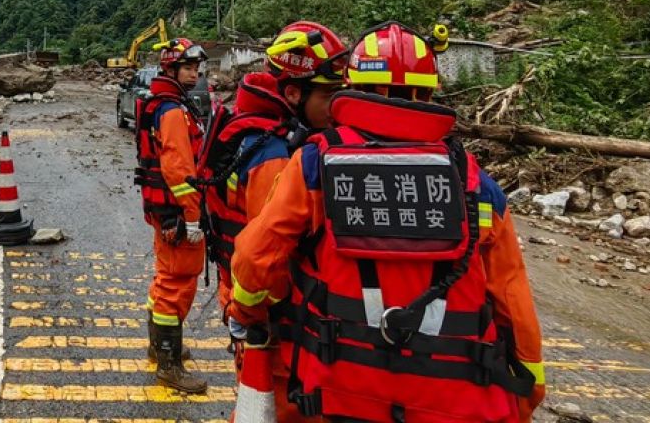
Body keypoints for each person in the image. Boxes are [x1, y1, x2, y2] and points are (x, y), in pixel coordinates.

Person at [229, 22, 545, 422]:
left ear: (354, 87)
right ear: (431, 92)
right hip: (454, 404)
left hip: (334, 395)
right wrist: (525, 393)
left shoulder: (314, 165)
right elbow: (514, 307)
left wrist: (247, 314)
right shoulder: (474, 184)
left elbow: (255, 259)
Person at [199, 23, 347, 421]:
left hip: (246, 303)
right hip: (272, 321)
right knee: (272, 408)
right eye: (329, 95)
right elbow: (266, 257)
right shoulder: (275, 154)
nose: (338, 107)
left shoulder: (254, 131)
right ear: (294, 93)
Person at [134, 37, 210, 393]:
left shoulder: (159, 103)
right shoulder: (173, 111)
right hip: (178, 214)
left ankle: (159, 346)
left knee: (165, 278)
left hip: (163, 211)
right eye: (189, 67)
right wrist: (193, 217)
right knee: (176, 282)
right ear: (171, 69)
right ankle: (169, 363)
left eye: (196, 67)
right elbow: (180, 170)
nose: (195, 73)